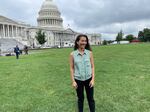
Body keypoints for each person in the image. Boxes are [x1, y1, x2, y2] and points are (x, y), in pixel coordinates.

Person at [69, 34, 95, 112]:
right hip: (78, 80)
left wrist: (93, 79)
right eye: (82, 41)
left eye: (85, 41)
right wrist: (73, 81)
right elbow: (71, 68)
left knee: (91, 99)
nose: (84, 43)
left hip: (89, 79)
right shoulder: (72, 54)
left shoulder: (89, 53)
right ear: (77, 42)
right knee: (80, 99)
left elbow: (92, 66)